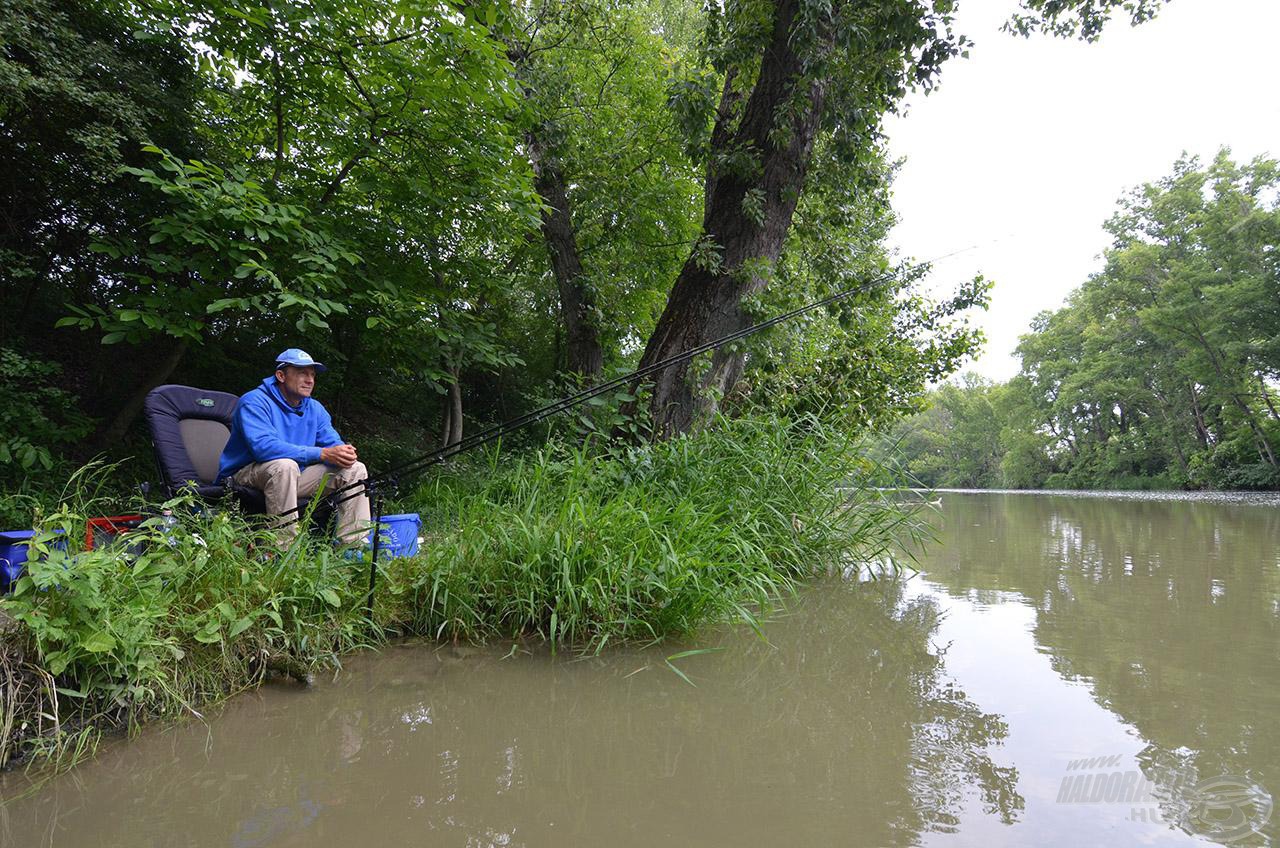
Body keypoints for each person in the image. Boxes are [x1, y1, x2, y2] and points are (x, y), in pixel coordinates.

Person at [216, 348, 371, 546]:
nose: (310, 380)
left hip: (293, 475)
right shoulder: (254, 401)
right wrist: (322, 453)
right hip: (244, 475)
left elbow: (332, 442)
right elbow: (263, 448)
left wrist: (343, 452)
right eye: (302, 373)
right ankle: (282, 548)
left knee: (355, 469)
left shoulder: (314, 408)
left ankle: (353, 547)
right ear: (281, 375)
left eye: (313, 375)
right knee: (284, 466)